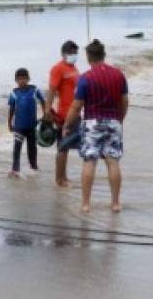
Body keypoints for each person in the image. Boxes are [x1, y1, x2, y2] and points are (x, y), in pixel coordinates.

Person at [63, 39, 129, 214]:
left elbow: (76, 106)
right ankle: (115, 203)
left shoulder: (85, 78)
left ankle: (86, 204)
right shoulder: (118, 75)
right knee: (112, 161)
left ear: (88, 57)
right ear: (103, 55)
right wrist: (119, 119)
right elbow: (124, 102)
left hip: (92, 122)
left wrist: (67, 125)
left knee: (90, 162)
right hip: (113, 121)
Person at [45, 40, 81, 187]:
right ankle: (59, 179)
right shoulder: (58, 69)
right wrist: (47, 109)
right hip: (64, 114)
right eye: (71, 52)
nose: (74, 55)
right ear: (64, 53)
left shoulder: (74, 68)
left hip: (75, 112)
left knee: (67, 147)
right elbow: (52, 90)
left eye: (75, 52)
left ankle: (63, 177)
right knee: (63, 146)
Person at [7, 68, 46, 178]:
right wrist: (9, 122)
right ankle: (15, 170)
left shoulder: (34, 90)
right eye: (19, 79)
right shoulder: (14, 93)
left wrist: (45, 115)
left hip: (32, 126)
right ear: (16, 80)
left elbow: (43, 101)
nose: (22, 81)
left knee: (32, 148)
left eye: (24, 78)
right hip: (19, 126)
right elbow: (11, 109)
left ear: (28, 79)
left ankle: (33, 167)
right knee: (17, 148)